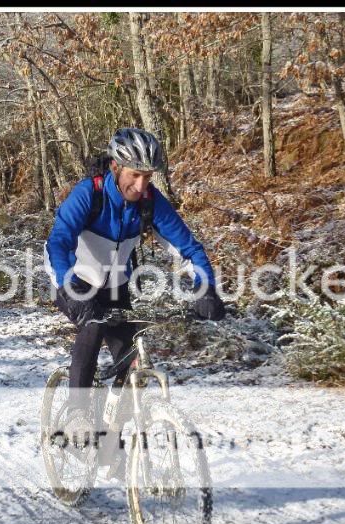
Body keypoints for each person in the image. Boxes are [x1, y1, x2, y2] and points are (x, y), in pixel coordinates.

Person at [44, 128, 226, 429]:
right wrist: (68, 285)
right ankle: (77, 415)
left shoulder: (150, 202)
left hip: (115, 287)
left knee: (130, 361)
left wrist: (204, 287)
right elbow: (58, 242)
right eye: (135, 175)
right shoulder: (91, 194)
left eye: (148, 177)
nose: (141, 185)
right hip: (74, 281)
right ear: (116, 166)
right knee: (92, 328)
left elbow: (189, 248)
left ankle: (113, 444)